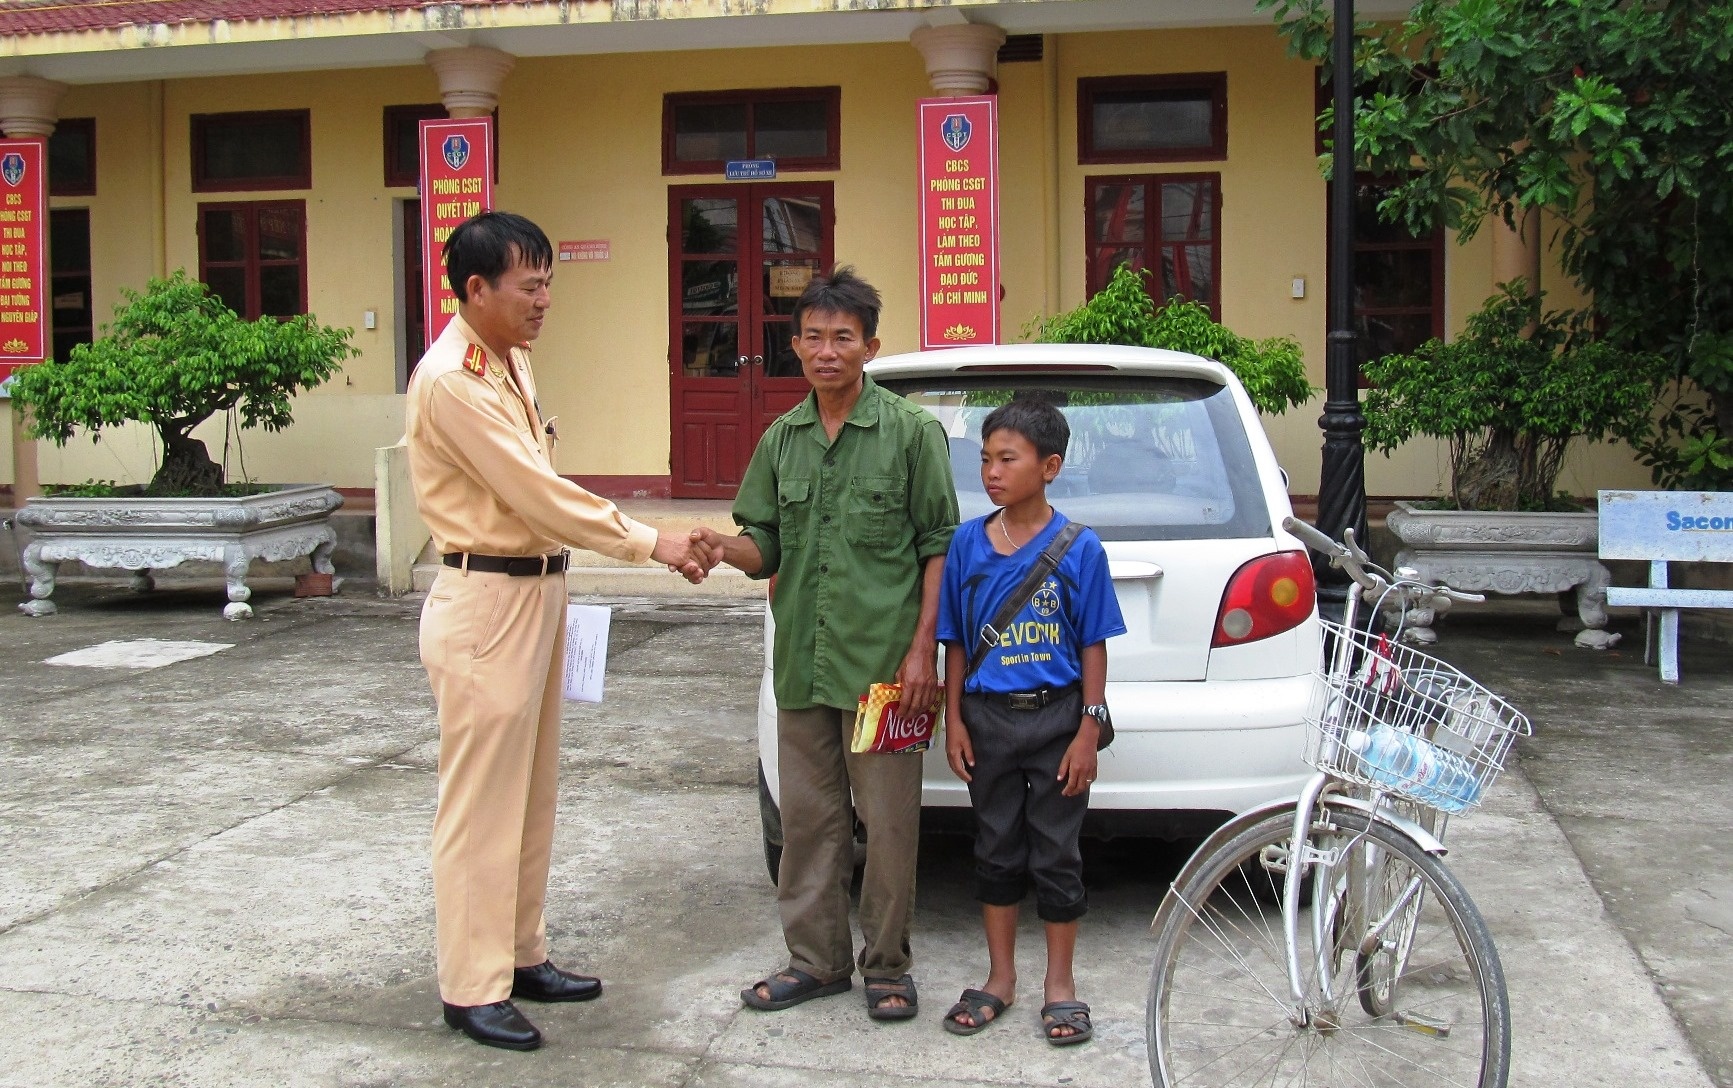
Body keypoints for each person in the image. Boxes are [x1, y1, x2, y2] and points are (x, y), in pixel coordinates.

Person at [405, 211, 707, 1052]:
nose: (544, 300)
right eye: (529, 286)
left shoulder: (512, 361)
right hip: (484, 606)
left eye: (548, 284)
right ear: (476, 290)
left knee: (532, 795)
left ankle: (518, 953)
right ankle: (470, 987)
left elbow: (538, 478)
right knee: (479, 808)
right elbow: (538, 496)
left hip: (539, 595)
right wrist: (654, 541)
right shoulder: (452, 381)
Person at [691, 267, 958, 1022]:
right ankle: (815, 961)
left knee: (890, 822)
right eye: (812, 336)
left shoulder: (911, 435)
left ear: (869, 346)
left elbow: (939, 544)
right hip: (804, 669)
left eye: (842, 337)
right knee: (808, 822)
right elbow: (764, 545)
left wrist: (922, 653)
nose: (826, 351)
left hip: (884, 673)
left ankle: (886, 965)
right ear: (796, 346)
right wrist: (721, 548)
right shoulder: (783, 440)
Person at [935, 396, 1126, 1046]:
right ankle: (999, 978)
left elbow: (1093, 642)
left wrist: (1087, 730)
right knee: (994, 848)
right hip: (987, 721)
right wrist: (952, 719)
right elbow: (955, 640)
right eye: (986, 458)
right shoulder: (967, 542)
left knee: (1056, 853)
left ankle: (1060, 986)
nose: (991, 471)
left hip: (1056, 721)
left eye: (1006, 459)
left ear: (1049, 466)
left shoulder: (1079, 548)